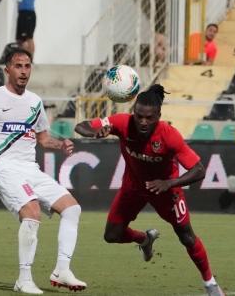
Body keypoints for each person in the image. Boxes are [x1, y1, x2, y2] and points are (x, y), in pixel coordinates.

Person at [74, 84, 225, 296]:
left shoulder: (170, 135)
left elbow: (199, 170)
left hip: (165, 190)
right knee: (111, 235)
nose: (143, 122)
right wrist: (94, 131)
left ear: (159, 116)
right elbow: (81, 126)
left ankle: (210, 283)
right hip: (133, 188)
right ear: (133, 113)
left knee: (187, 237)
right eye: (139, 116)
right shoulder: (121, 122)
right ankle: (144, 239)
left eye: (149, 118)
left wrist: (169, 183)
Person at [0, 48, 86, 294]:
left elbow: (43, 137)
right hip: (4, 168)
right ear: (7, 70)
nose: (24, 71)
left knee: (72, 209)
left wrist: (61, 145)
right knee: (32, 213)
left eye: (27, 66)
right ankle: (23, 279)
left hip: (30, 168)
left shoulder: (35, 101)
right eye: (18, 66)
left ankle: (62, 269)